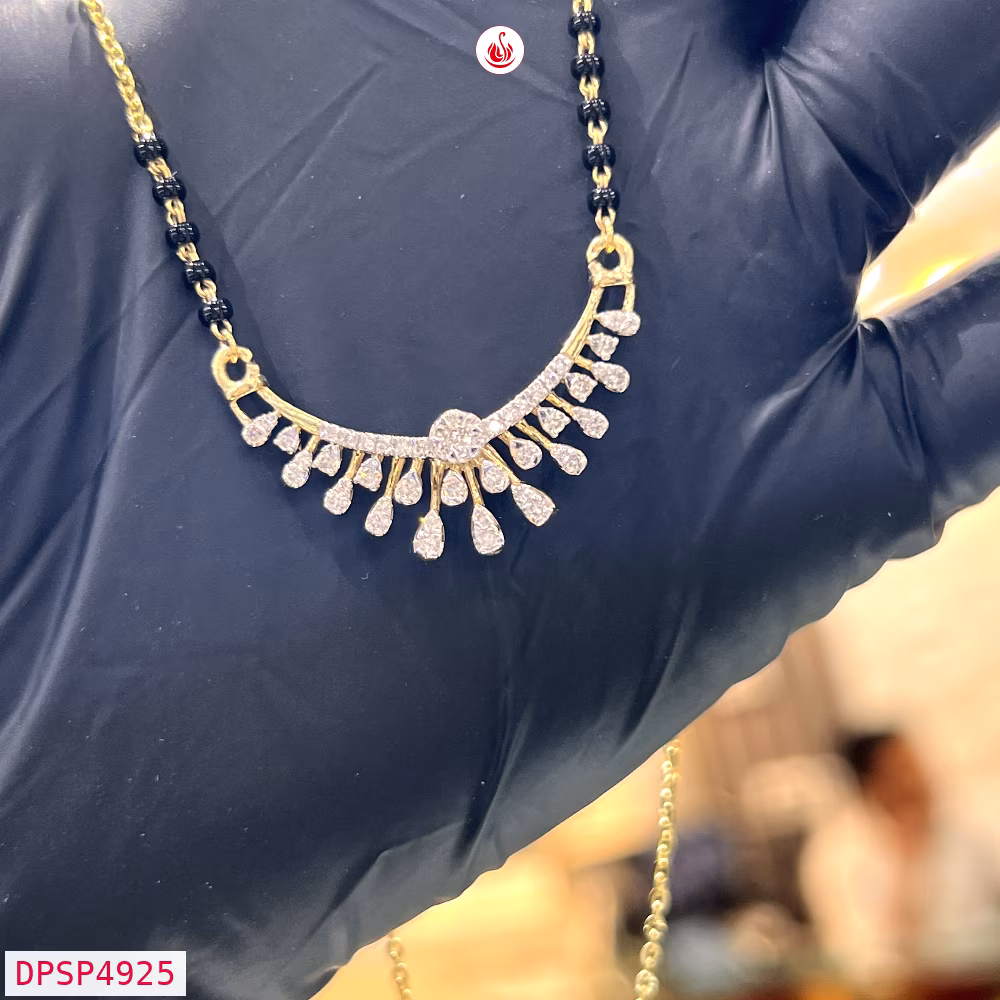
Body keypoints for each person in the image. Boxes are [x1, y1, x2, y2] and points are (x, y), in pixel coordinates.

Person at [799, 731, 1000, 990]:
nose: (920, 779)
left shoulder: (961, 824)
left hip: (980, 978)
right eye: (903, 770)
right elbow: (862, 951)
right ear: (872, 783)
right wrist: (908, 861)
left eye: (917, 764)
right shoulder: (838, 850)